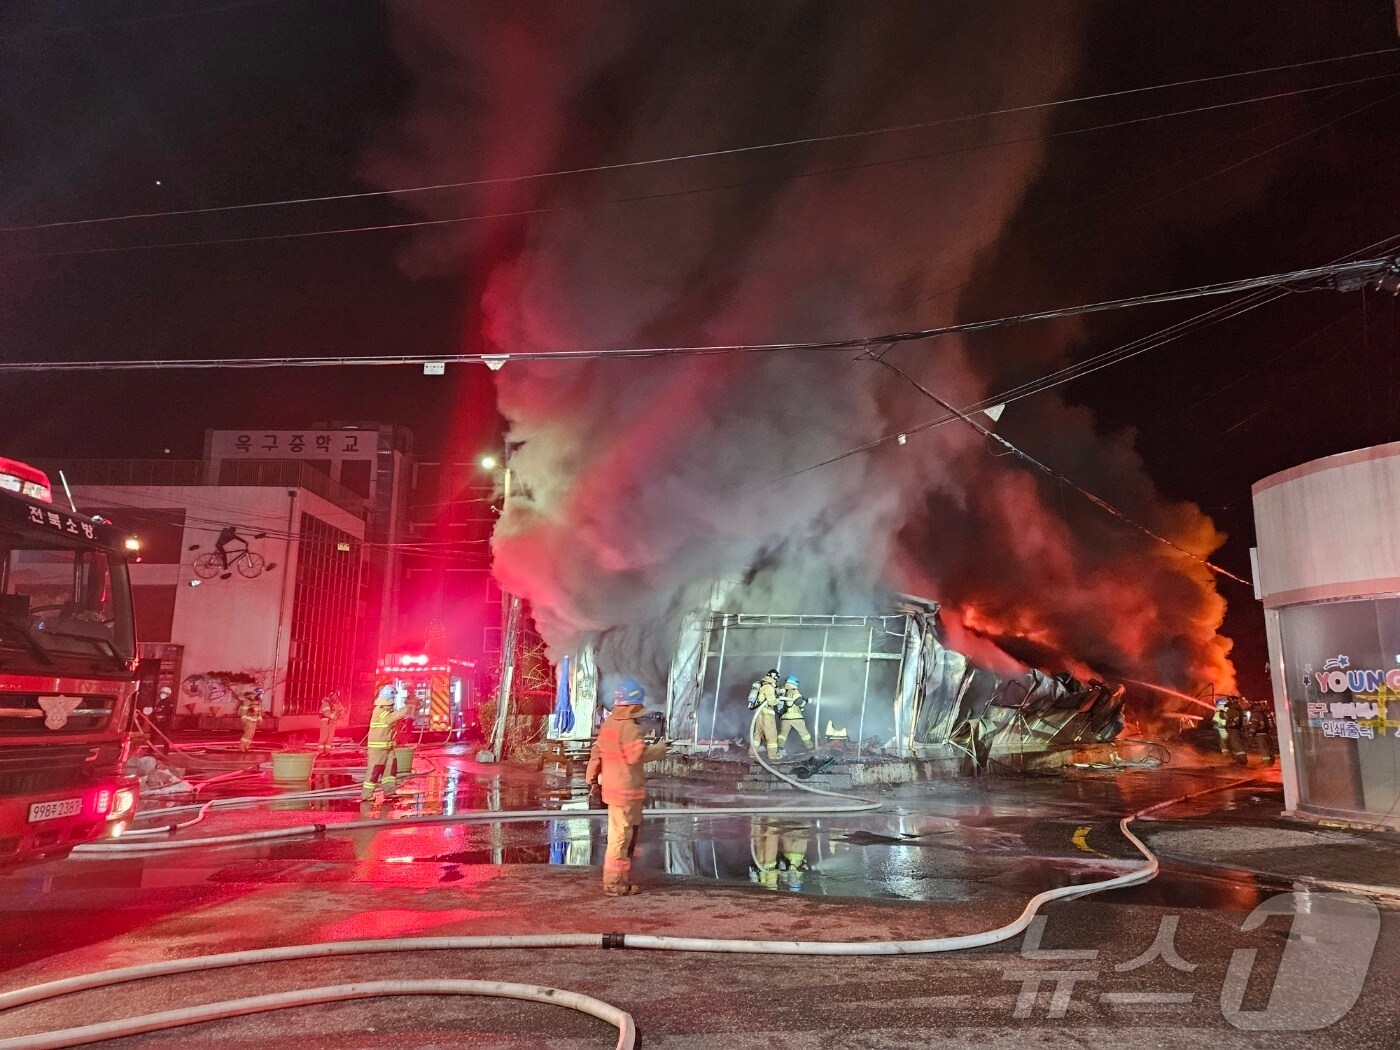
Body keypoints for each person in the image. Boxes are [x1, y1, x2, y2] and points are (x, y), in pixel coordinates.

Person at [584, 678, 670, 896]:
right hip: (627, 794)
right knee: (620, 841)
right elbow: (636, 756)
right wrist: (660, 749)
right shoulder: (630, 729)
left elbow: (596, 754)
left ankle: (620, 880)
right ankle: (614, 884)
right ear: (634, 704)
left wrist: (591, 780)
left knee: (620, 839)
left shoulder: (609, 725)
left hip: (612, 792)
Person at [362, 685, 416, 800]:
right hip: (378, 748)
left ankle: (389, 791)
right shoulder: (380, 710)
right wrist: (405, 709)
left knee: (390, 769)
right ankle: (366, 795)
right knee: (374, 771)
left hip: (388, 746)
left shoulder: (386, 710)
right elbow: (389, 719)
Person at [748, 669, 781, 761]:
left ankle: (752, 753)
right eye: (777, 678)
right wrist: (778, 699)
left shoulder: (763, 685)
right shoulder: (769, 687)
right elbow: (772, 702)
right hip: (767, 715)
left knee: (758, 734)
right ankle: (773, 755)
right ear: (774, 677)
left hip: (759, 714)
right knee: (772, 735)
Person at [776, 674, 813, 756]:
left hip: (785, 718)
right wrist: (804, 703)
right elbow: (799, 702)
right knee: (804, 734)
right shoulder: (794, 691)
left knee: (782, 734)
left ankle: (779, 748)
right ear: (794, 683)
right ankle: (810, 747)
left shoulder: (784, 691)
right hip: (795, 717)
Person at [1212, 695, 1248, 765]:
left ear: (1232, 701)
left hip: (1234, 730)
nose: (1227, 702)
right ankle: (1238, 760)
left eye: (1228, 700)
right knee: (1234, 746)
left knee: (1236, 746)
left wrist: (1221, 712)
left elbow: (1224, 716)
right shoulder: (1236, 708)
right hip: (1234, 730)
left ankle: (1243, 760)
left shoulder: (1233, 709)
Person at [318, 689, 346, 754]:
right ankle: (321, 753)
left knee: (330, 738)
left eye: (336, 696)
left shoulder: (337, 703)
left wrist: (340, 714)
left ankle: (327, 752)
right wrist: (336, 716)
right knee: (324, 738)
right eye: (334, 695)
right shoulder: (326, 702)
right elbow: (326, 712)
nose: (335, 697)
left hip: (332, 722)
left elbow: (342, 709)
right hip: (325, 722)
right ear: (330, 695)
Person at [237, 688, 263, 753]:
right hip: (248, 719)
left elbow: (259, 711)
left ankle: (246, 746)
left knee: (251, 734)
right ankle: (241, 747)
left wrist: (259, 719)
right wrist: (244, 719)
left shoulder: (258, 702)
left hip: (254, 719)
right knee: (248, 733)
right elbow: (243, 711)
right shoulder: (247, 701)